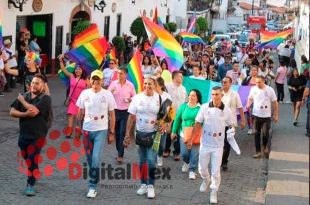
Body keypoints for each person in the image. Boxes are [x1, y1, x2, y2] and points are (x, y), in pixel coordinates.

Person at [76, 69, 116, 198]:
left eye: (98, 79)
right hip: (87, 130)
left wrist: (111, 132)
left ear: (102, 81)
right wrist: (78, 127)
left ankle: (92, 187)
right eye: (93, 79)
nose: (95, 81)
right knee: (90, 159)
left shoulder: (108, 94)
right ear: (90, 80)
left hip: (101, 131)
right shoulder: (84, 93)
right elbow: (80, 111)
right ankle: (95, 173)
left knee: (95, 158)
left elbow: (112, 114)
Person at [10, 74, 52, 196]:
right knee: (27, 158)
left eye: (37, 83)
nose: (34, 85)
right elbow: (12, 111)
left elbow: (33, 111)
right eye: (33, 82)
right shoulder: (25, 95)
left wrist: (22, 101)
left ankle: (30, 184)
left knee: (32, 159)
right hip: (24, 135)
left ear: (43, 86)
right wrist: (24, 114)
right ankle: (35, 170)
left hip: (38, 135)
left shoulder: (45, 98)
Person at [190, 86, 234, 204]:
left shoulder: (227, 110)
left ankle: (214, 192)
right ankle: (206, 180)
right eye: (213, 94)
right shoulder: (204, 107)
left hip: (218, 146)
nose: (215, 97)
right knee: (202, 168)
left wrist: (231, 131)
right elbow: (198, 123)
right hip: (205, 143)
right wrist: (191, 139)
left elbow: (231, 124)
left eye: (217, 94)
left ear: (222, 95)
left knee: (215, 171)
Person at [123, 77, 163, 199]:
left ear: (155, 85)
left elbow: (166, 115)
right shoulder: (137, 98)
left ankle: (151, 186)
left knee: (151, 160)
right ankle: (143, 184)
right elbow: (131, 117)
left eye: (150, 84)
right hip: (139, 133)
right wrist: (127, 134)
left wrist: (163, 125)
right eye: (145, 83)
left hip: (154, 134)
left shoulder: (160, 98)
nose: (147, 86)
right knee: (142, 161)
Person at [171, 89, 202, 179]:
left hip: (196, 134)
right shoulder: (183, 106)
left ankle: (192, 170)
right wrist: (173, 131)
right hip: (183, 134)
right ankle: (186, 162)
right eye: (190, 95)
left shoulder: (201, 108)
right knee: (184, 153)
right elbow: (177, 119)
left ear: (197, 98)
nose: (190, 97)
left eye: (193, 96)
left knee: (195, 153)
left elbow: (204, 122)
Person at [246, 75, 279, 158]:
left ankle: (264, 146)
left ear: (264, 81)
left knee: (265, 133)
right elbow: (250, 98)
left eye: (259, 82)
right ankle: (258, 152)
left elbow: (275, 102)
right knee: (256, 134)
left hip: (266, 116)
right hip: (256, 115)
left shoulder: (269, 90)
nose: (257, 84)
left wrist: (276, 114)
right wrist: (248, 105)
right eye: (256, 82)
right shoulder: (253, 89)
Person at [108, 66, 136, 164]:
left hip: (125, 111)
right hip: (115, 111)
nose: (119, 75)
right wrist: (110, 92)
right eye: (118, 73)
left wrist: (130, 99)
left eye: (121, 73)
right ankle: (119, 149)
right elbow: (107, 94)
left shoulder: (130, 85)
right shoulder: (113, 83)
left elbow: (134, 96)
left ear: (126, 75)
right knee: (116, 132)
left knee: (122, 132)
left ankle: (120, 154)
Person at [59, 56, 88, 138]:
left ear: (82, 71)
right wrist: (61, 60)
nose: (78, 70)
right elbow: (63, 69)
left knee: (80, 117)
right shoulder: (71, 76)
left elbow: (91, 87)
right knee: (70, 115)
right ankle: (69, 131)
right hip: (72, 100)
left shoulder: (85, 80)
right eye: (76, 69)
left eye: (79, 69)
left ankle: (79, 130)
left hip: (81, 101)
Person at [221, 76, 246, 171]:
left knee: (227, 143)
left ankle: (224, 162)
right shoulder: (219, 93)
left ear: (230, 84)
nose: (224, 84)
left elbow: (240, 108)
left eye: (226, 82)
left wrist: (243, 120)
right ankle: (218, 160)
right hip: (219, 122)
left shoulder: (235, 94)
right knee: (219, 143)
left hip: (230, 122)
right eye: (223, 82)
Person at [164, 71, 187, 160]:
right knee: (168, 132)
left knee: (177, 133)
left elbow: (185, 101)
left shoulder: (183, 89)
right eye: (180, 76)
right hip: (169, 114)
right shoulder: (167, 86)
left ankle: (177, 152)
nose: (182, 78)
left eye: (182, 76)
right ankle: (166, 149)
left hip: (179, 114)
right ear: (175, 77)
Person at [154, 77, 173, 167]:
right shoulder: (151, 95)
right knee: (152, 142)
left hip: (163, 123)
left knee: (161, 144)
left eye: (156, 85)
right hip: (152, 122)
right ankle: (153, 158)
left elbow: (169, 111)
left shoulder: (167, 96)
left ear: (161, 86)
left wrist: (167, 123)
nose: (154, 87)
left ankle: (159, 155)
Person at [242, 65, 259, 135]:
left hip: (258, 100)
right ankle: (250, 128)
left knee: (256, 114)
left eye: (255, 70)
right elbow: (242, 87)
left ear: (257, 71)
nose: (254, 71)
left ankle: (256, 128)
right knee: (249, 114)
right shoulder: (247, 78)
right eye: (252, 70)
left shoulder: (260, 79)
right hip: (249, 100)